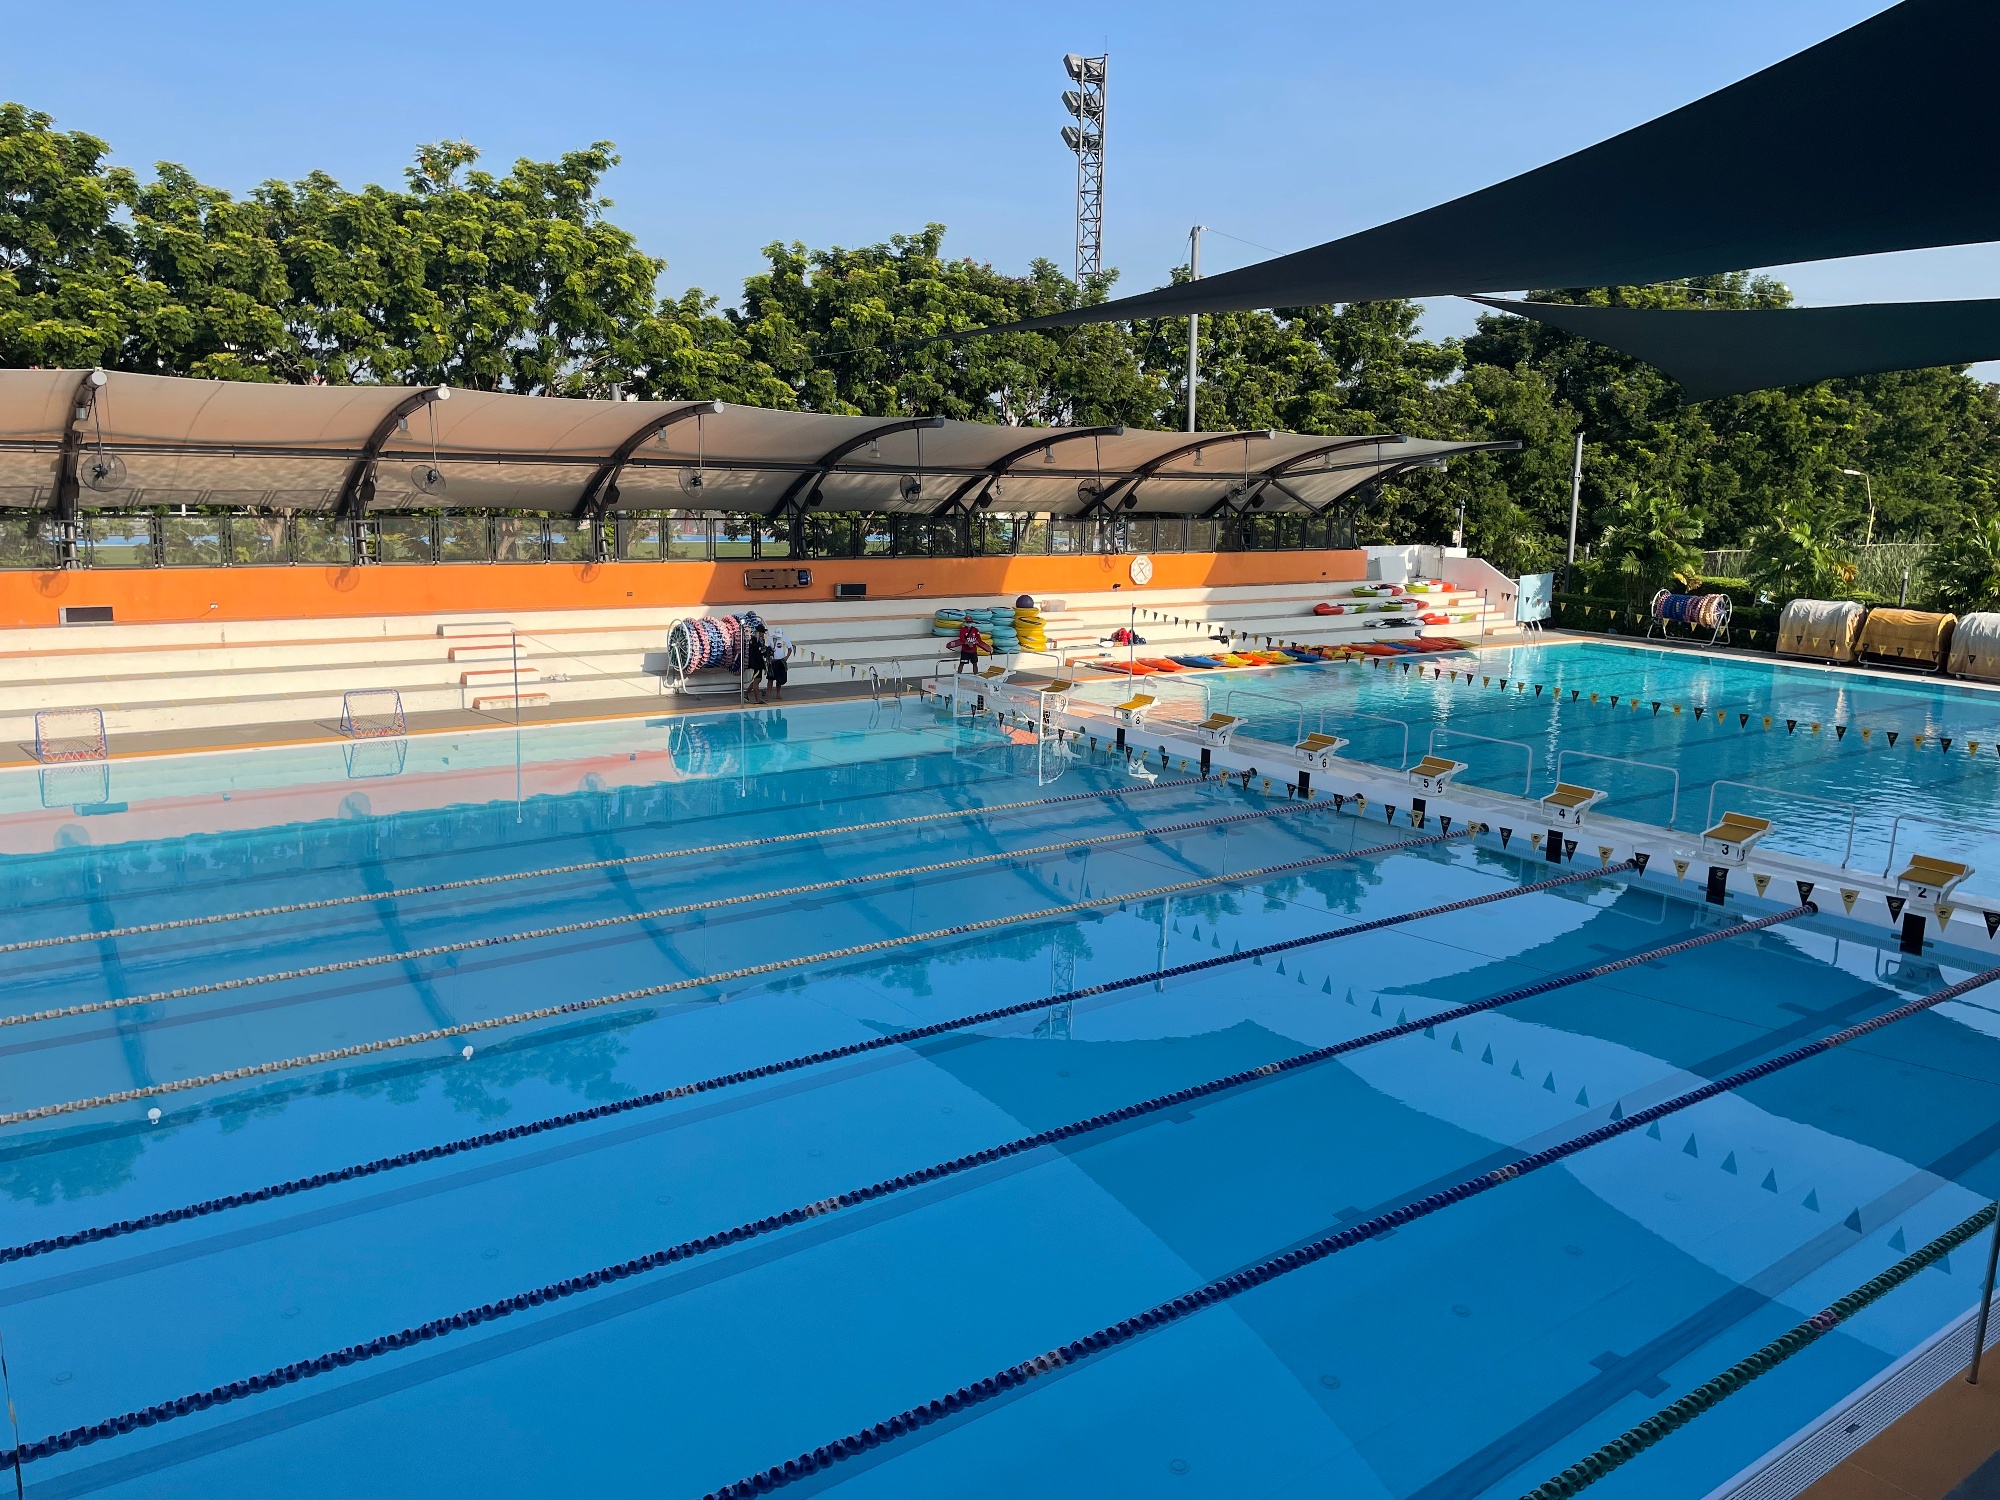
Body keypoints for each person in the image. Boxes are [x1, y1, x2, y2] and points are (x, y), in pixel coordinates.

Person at [765, 625, 792, 701]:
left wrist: (786, 657)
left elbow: (790, 649)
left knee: (779, 679)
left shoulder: (785, 639)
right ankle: (768, 695)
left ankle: (778, 694)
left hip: (781, 661)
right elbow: (767, 649)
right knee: (770, 679)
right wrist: (769, 657)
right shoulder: (770, 638)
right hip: (772, 661)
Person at [744, 624, 769, 702]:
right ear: (759, 632)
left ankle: (746, 694)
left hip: (756, 664)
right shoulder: (754, 641)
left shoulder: (754, 640)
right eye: (762, 633)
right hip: (757, 664)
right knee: (757, 681)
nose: (763, 634)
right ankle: (757, 700)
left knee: (758, 679)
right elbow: (757, 655)